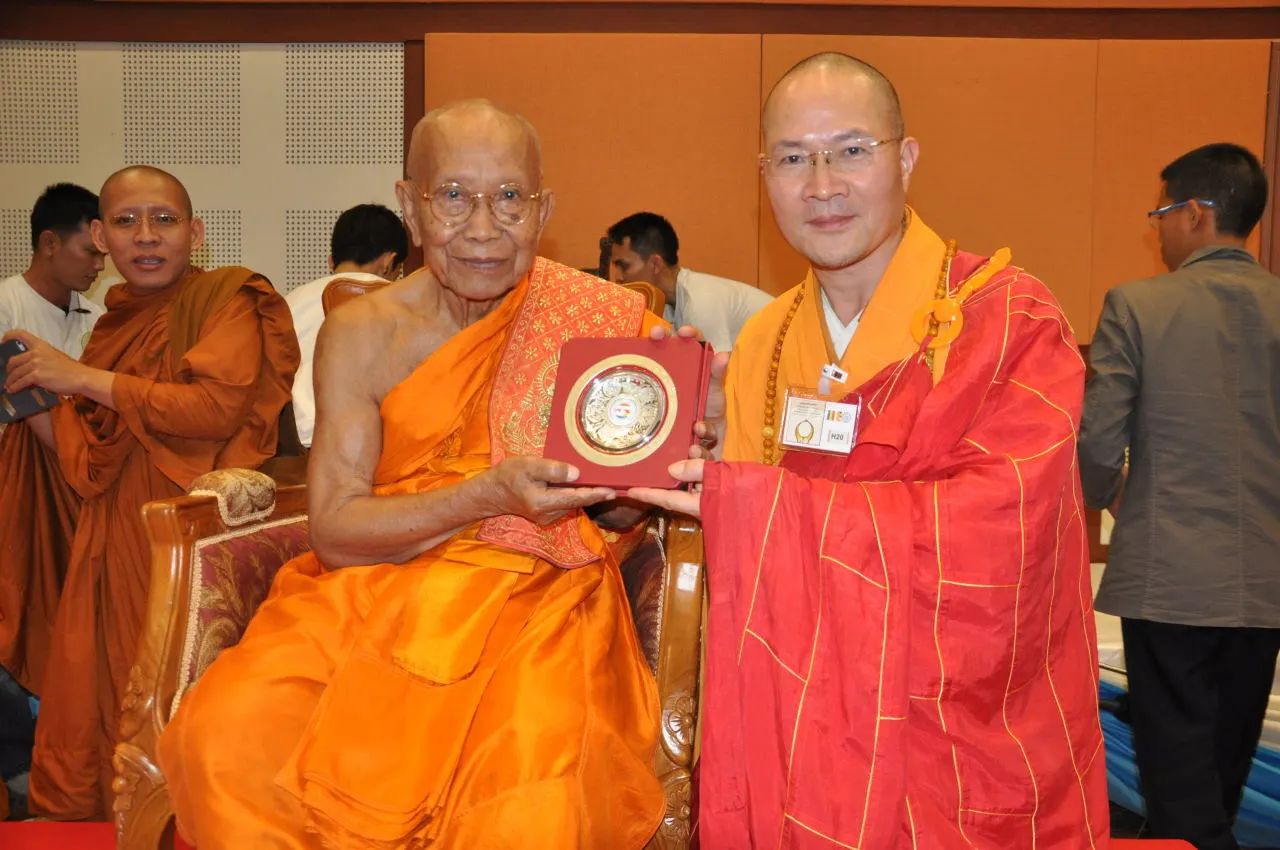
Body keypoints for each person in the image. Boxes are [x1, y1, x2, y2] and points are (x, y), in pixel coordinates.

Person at [157, 100, 670, 849]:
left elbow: (621, 513)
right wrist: (485, 494)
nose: (484, 227)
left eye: (510, 198)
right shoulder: (361, 333)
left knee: (526, 787)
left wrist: (671, 437)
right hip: (369, 591)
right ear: (410, 206)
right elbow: (336, 530)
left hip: (534, 599)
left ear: (543, 210)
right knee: (227, 738)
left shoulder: (596, 322)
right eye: (454, 196)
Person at [629, 52, 1108, 848]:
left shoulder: (1008, 321)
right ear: (764, 177)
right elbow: (749, 575)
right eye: (792, 159)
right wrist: (695, 446)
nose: (822, 186)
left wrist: (754, 500)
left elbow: (1002, 539)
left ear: (906, 159)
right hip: (805, 732)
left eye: (851, 150)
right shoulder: (765, 343)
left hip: (956, 749)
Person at [0, 165, 299, 820]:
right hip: (112, 539)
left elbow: (212, 411)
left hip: (193, 545)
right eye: (126, 221)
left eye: (163, 220)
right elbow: (92, 458)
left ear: (195, 233)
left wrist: (80, 379)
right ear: (100, 236)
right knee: (105, 699)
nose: (146, 235)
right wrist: (38, 396)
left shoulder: (226, 299)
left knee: (182, 708)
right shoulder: (114, 327)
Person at [1079, 143, 1280, 850]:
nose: (1157, 227)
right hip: (1266, 585)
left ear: (1195, 213)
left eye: (1160, 212)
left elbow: (1098, 442)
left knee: (1179, 785)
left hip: (1168, 581)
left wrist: (1112, 497)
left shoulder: (1137, 305)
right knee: (1220, 775)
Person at [286, 203, 408, 447]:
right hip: (372, 450)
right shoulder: (404, 302)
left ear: (331, 260)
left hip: (295, 445)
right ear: (389, 262)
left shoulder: (289, 302)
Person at [607, 211, 770, 353]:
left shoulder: (701, 301)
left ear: (655, 264)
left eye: (624, 266)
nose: (618, 277)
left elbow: (715, 370)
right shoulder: (668, 305)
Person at [0, 183, 105, 360]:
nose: (100, 265)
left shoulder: (96, 318)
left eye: (104, 255)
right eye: (91, 252)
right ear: (50, 243)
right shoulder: (6, 308)